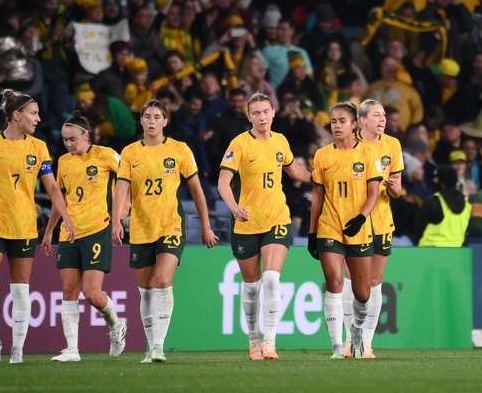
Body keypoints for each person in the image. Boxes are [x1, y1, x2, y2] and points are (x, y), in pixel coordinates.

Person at [0, 90, 77, 365]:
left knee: (20, 290)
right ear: (16, 115)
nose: (38, 118)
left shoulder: (39, 147)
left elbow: (53, 187)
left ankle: (18, 349)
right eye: (33, 113)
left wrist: (67, 218)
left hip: (24, 225)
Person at [111, 99, 219, 364]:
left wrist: (205, 225)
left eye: (156, 116)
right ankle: (151, 345)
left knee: (161, 281)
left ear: (165, 121)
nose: (151, 121)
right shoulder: (130, 153)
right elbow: (121, 190)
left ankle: (158, 346)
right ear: (141, 121)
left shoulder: (179, 150)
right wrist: (115, 221)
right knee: (146, 289)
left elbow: (196, 191)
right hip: (140, 227)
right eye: (147, 116)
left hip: (171, 224)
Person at [217, 92, 312, 361]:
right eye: (256, 113)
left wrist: (318, 177)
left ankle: (270, 341)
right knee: (251, 286)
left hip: (277, 219)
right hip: (247, 223)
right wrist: (234, 207)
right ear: (249, 116)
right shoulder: (239, 144)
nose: (261, 117)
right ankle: (253, 339)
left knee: (271, 278)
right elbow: (223, 182)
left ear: (273, 112)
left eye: (265, 111)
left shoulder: (281, 141)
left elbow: (295, 172)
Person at [41, 111, 127, 362]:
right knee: (68, 289)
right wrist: (49, 233)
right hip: (69, 233)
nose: (68, 144)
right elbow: (60, 200)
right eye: (65, 140)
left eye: (73, 139)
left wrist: (119, 217)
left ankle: (116, 325)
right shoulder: (64, 162)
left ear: (86, 135)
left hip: (97, 230)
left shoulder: (106, 155)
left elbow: (127, 180)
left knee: (91, 292)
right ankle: (72, 349)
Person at [308, 102, 382, 359]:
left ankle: (358, 329)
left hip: (359, 230)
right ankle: (337, 347)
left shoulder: (368, 154)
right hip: (329, 227)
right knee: (334, 282)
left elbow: (374, 193)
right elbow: (317, 197)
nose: (336, 125)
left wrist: (362, 218)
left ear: (354, 125)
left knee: (363, 293)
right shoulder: (322, 155)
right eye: (333, 121)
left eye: (342, 121)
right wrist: (312, 232)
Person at [340, 99, 404, 358]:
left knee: (374, 282)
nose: (382, 119)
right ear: (362, 120)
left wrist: (391, 186)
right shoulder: (349, 145)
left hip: (381, 222)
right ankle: (349, 340)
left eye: (384, 115)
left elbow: (399, 190)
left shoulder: (392, 145)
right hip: (353, 221)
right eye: (376, 115)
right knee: (351, 280)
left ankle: (365, 342)